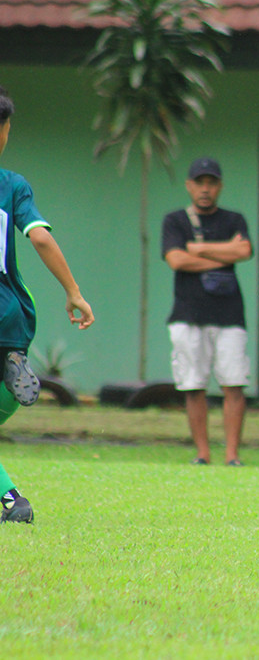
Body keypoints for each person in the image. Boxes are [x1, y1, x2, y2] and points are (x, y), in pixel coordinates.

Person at [0, 85, 95, 524]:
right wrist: (73, 292)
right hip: (10, 312)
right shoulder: (12, 185)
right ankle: (11, 359)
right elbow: (39, 236)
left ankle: (10, 500)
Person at [162, 157, 252, 466]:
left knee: (234, 384)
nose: (205, 189)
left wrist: (199, 249)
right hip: (187, 314)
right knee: (193, 384)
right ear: (189, 186)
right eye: (199, 182)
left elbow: (244, 251)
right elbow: (176, 260)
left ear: (220, 186)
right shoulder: (175, 221)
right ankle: (203, 454)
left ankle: (232, 456)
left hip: (230, 315)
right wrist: (222, 256)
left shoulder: (234, 219)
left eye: (211, 182)